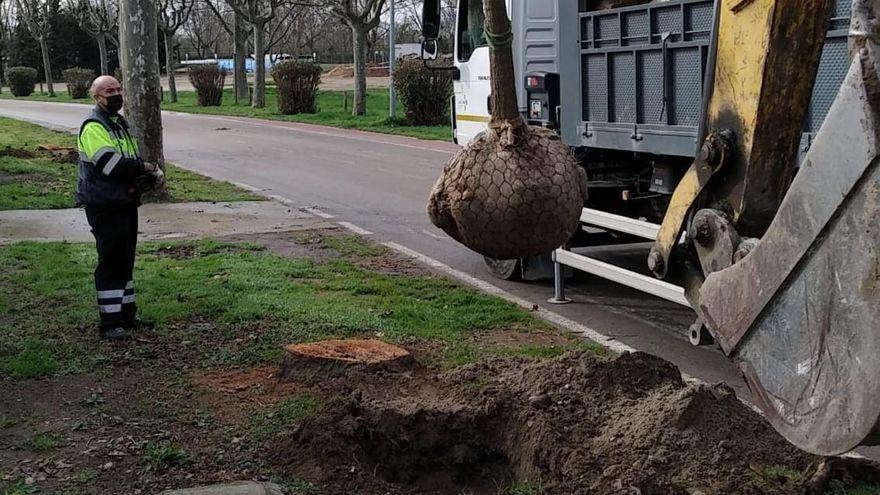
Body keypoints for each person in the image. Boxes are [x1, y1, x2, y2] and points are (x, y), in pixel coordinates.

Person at [76, 75, 165, 341]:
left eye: (117, 89)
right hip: (105, 204)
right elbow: (111, 165)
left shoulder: (117, 124)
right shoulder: (94, 126)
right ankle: (110, 322)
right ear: (96, 97)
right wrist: (146, 167)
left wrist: (143, 178)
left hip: (123, 201)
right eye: (108, 91)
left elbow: (128, 160)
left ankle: (127, 315)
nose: (115, 94)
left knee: (125, 260)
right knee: (111, 261)